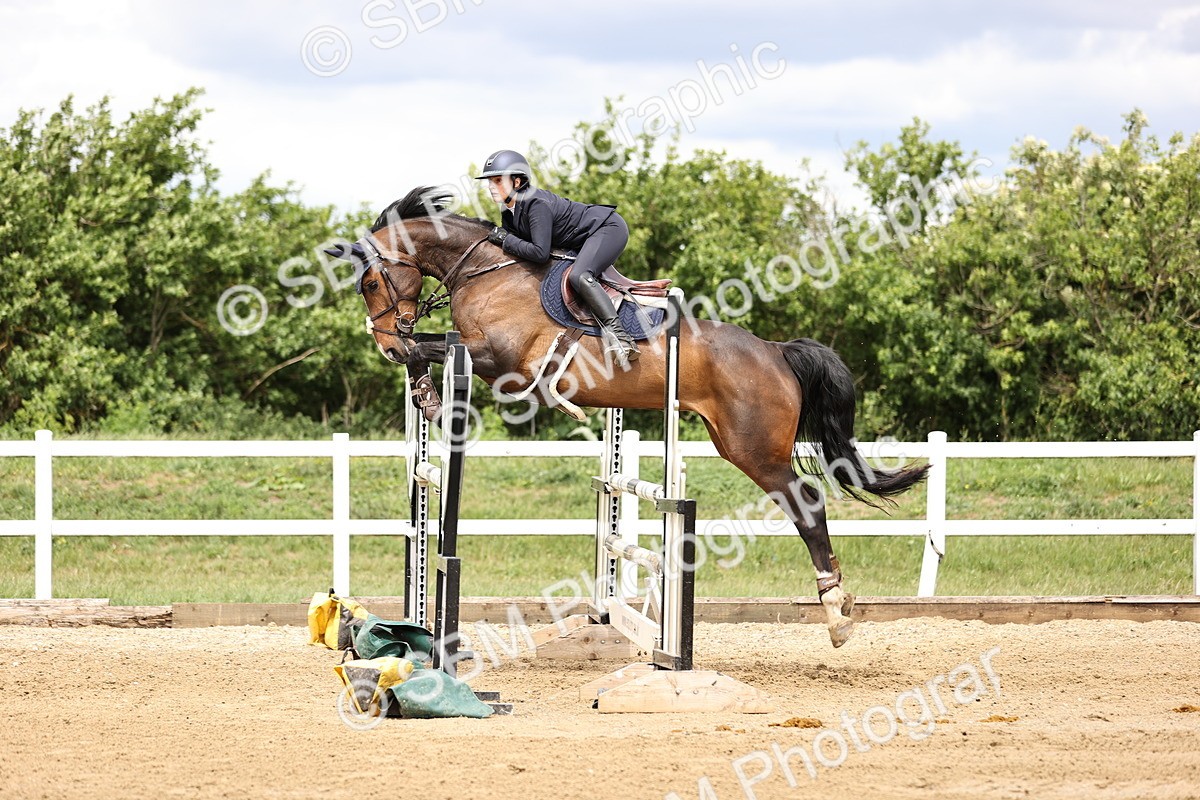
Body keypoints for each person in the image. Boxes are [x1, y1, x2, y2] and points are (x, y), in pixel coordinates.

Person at [475, 149, 639, 365]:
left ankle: (621, 338)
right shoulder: (509, 212)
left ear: (517, 182)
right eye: (490, 181)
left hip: (607, 228)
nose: (491, 187)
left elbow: (539, 253)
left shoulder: (535, 203)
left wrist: (505, 239)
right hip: (583, 239)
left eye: (497, 181)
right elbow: (518, 251)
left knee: (579, 275)